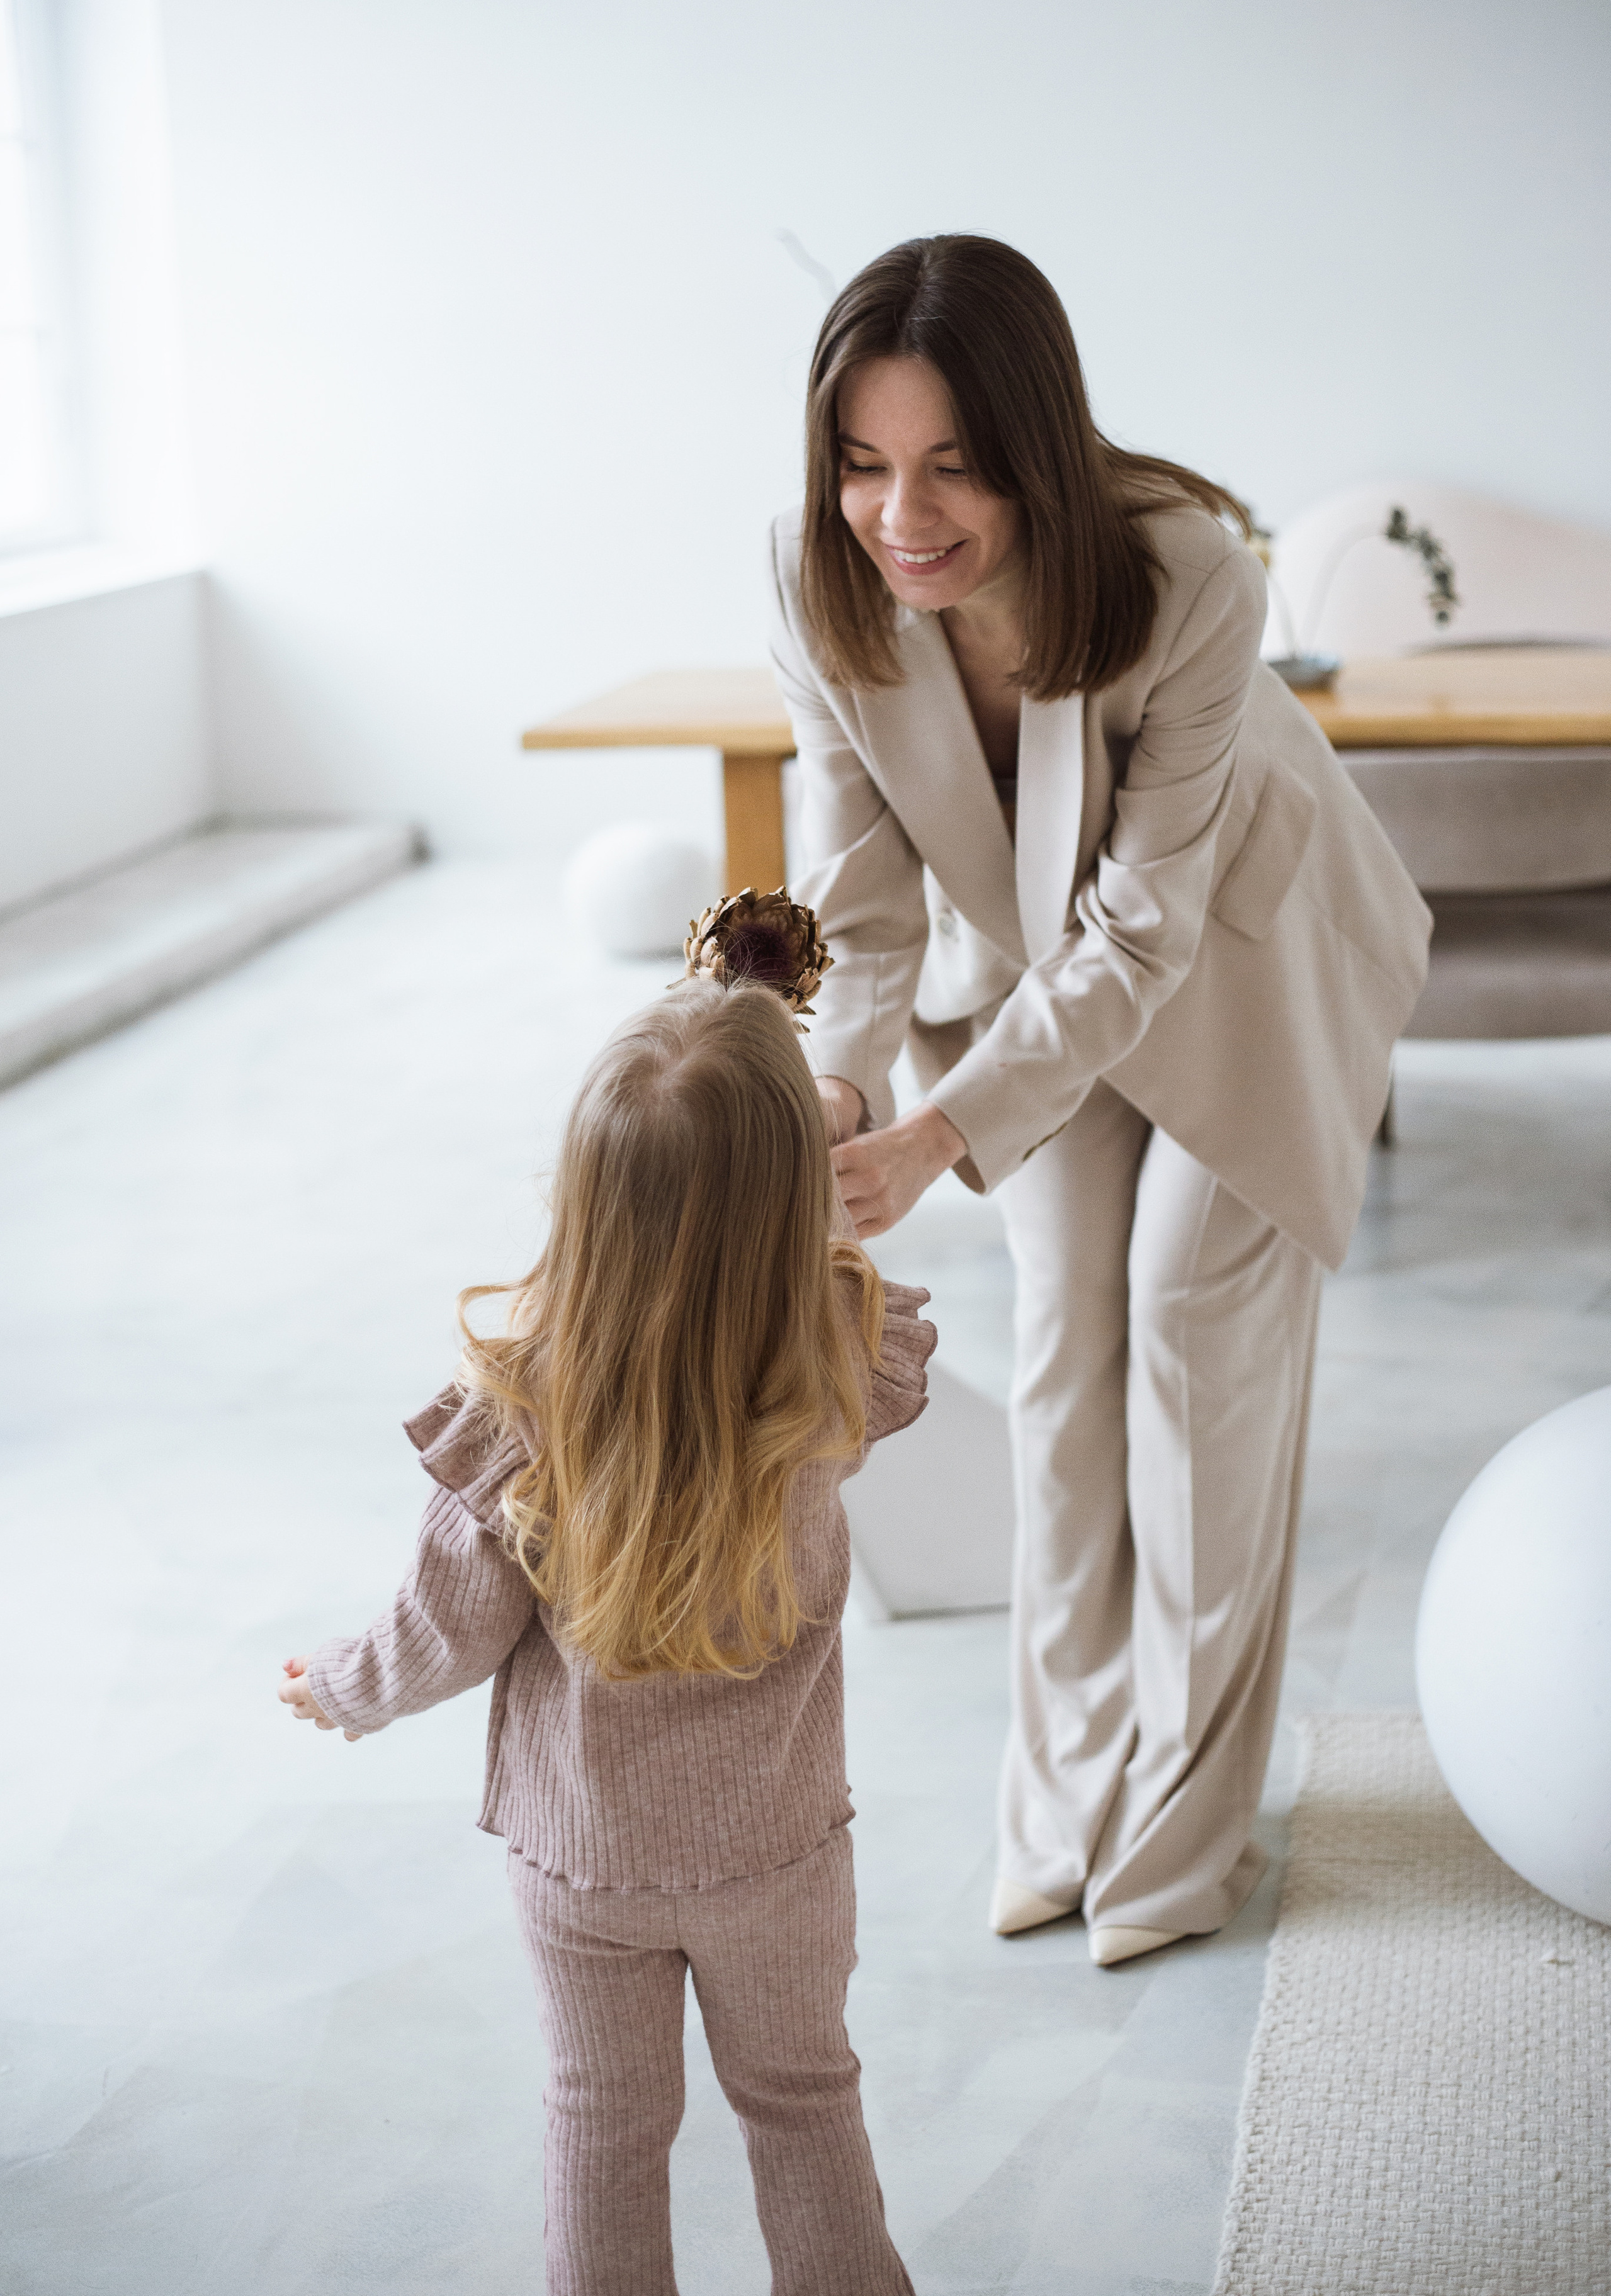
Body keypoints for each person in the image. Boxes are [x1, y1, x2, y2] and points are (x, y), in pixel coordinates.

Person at [767, 234, 1430, 1967]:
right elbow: (860, 901)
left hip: (1241, 962)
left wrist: (938, 1138)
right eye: (863, 464)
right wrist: (840, 1099)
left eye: (954, 468)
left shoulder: (1187, 568)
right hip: (1030, 992)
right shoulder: (809, 578)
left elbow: (1143, 929)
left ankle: (1185, 1835)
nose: (901, 517)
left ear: (1037, 449)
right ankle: (1061, 1801)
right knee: (1064, 1350)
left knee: (1189, 1340)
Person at [276, 971, 935, 2295]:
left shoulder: (523, 1409)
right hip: (780, 1850)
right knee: (806, 2105)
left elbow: (446, 1628)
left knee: (602, 2129)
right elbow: (799, 1252)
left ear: (580, 1200)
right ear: (791, 1201)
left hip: (585, 1865)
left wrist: (342, 1689)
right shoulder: (835, 1358)